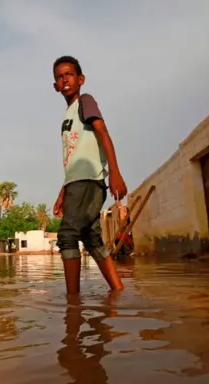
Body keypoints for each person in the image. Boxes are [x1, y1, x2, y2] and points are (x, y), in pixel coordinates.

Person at [51, 55, 128, 294]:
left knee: (67, 236)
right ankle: (118, 291)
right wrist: (63, 191)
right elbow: (74, 158)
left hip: (89, 181)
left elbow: (103, 134)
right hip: (76, 183)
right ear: (55, 86)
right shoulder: (67, 116)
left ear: (80, 79)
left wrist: (115, 172)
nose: (64, 80)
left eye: (69, 74)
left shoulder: (86, 101)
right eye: (59, 77)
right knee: (91, 238)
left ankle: (73, 303)